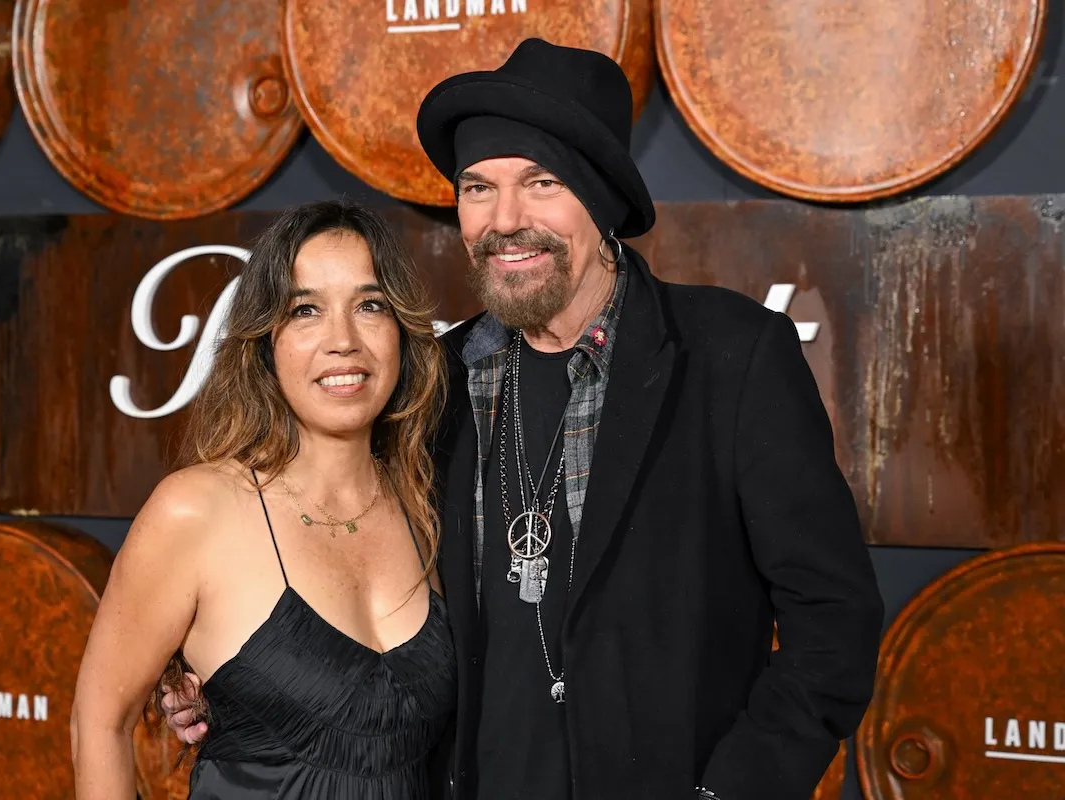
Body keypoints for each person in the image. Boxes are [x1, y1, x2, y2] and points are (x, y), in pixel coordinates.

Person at [165, 38, 886, 800]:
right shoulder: (431, 380)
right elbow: (328, 547)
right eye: (478, 188)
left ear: (602, 199)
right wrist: (231, 676)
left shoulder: (730, 358)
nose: (505, 220)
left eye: (542, 182)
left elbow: (834, 623)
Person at [70, 200, 456, 799]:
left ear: (402, 333)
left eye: (370, 305)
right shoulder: (197, 510)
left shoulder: (428, 507)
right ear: (265, 344)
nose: (343, 341)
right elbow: (99, 724)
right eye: (305, 310)